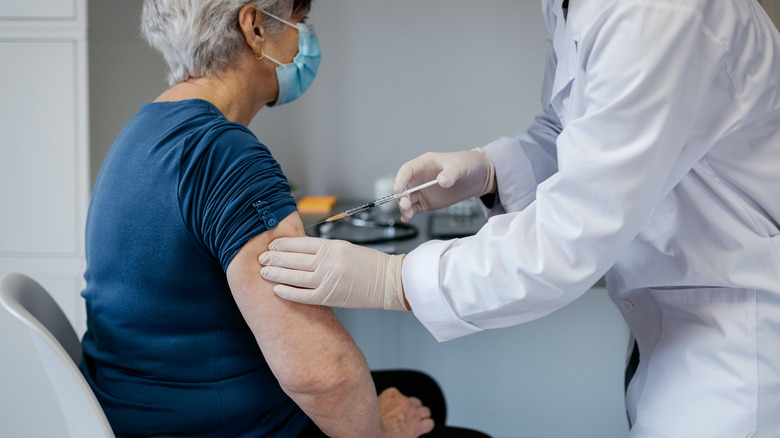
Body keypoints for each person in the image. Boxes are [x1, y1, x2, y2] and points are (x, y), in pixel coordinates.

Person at [258, 0, 780, 436]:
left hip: (736, 336)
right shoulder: (572, 6)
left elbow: (569, 236)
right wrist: (490, 168)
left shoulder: (658, 12)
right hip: (672, 322)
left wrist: (396, 279)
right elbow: (571, 134)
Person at [79, 1, 490, 437]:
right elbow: (324, 377)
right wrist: (380, 432)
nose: (304, 38)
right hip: (232, 427)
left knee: (420, 390)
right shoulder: (225, 155)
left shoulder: (141, 132)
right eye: (299, 23)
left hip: (138, 413)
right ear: (255, 28)